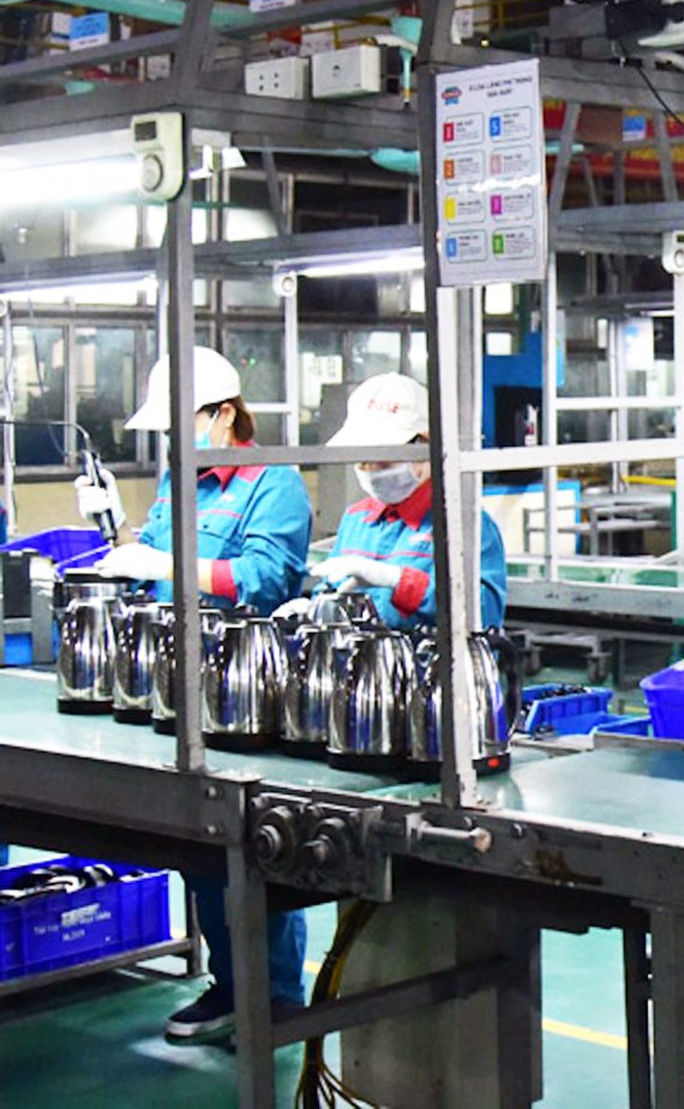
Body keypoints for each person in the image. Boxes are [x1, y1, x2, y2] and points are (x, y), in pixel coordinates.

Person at [75, 346, 313, 1041]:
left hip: (245, 687)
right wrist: (118, 558)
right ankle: (229, 987)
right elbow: (151, 550)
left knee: (255, 845)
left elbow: (267, 580)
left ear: (225, 414)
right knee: (203, 847)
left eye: (187, 426)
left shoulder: (275, 483)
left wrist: (173, 564)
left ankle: (275, 997)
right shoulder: (187, 476)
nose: (178, 443)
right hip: (178, 682)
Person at [276, 373, 506, 630]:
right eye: (360, 454)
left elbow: (483, 617)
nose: (368, 467)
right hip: (363, 666)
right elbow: (332, 590)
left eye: (382, 453)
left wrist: (399, 581)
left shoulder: (464, 524)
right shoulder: (357, 519)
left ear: (425, 443)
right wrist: (314, 609)